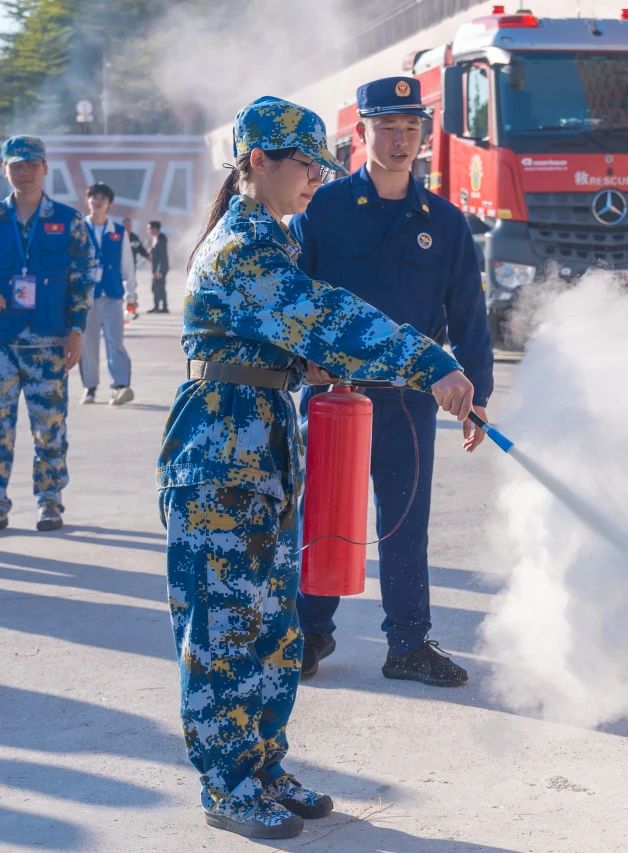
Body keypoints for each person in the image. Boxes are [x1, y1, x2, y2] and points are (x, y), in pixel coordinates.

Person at [158, 96, 476, 840]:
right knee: (224, 630)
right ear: (258, 161)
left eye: (321, 167)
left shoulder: (269, 237)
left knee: (271, 628)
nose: (315, 179)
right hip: (220, 457)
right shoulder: (244, 245)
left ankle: (264, 767)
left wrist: (306, 366)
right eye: (305, 165)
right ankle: (227, 784)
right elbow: (325, 315)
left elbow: (292, 335)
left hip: (259, 450)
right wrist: (428, 360)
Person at [289, 76, 494, 687]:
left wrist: (476, 396)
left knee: (405, 519)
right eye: (387, 127)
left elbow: (469, 315)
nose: (401, 140)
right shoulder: (322, 209)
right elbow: (294, 296)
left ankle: (408, 643)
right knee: (323, 515)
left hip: (407, 401)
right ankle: (309, 633)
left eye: (411, 128)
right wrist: (303, 360)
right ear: (361, 132)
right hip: (333, 395)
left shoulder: (445, 223)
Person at [0, 135, 92, 532]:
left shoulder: (69, 221)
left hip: (49, 340)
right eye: (16, 165)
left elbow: (82, 278)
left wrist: (77, 330)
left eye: (31, 165)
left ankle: (50, 502)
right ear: (5, 169)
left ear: (45, 168)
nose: (24, 172)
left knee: (50, 428)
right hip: (2, 343)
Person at [78, 182, 137, 405]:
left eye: (102, 198)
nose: (97, 201)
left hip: (112, 295)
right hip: (86, 297)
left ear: (109, 204)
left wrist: (131, 294)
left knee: (115, 341)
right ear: (88, 200)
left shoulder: (118, 232)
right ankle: (90, 387)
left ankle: (120, 386)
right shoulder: (78, 229)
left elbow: (127, 265)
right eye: (94, 196)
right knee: (88, 344)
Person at [140, 219, 169, 312]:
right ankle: (156, 306)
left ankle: (164, 307)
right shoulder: (155, 239)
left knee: (160, 287)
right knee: (155, 287)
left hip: (160, 269)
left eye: (149, 229)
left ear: (155, 229)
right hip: (156, 268)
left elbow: (162, 256)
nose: (148, 231)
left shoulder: (161, 239)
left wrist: (160, 270)